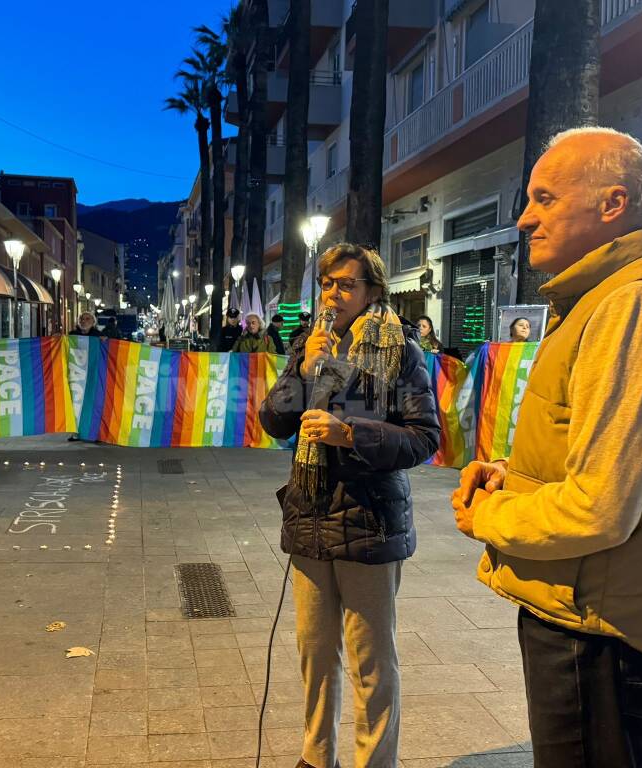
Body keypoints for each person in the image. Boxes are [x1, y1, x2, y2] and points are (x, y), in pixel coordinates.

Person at [452, 127, 642, 768]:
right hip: (595, 609)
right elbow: (603, 458)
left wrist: (486, 516)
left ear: (614, 203)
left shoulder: (634, 303)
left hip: (600, 625)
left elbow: (599, 506)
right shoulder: (610, 298)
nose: (525, 218)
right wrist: (510, 478)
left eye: (544, 198)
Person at [259, 243, 440, 768]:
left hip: (369, 521)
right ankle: (316, 758)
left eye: (345, 284)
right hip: (311, 515)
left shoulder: (400, 352)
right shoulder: (308, 344)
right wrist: (302, 371)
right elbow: (274, 423)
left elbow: (423, 438)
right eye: (327, 283)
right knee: (315, 654)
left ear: (373, 292)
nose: (332, 294)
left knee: (371, 662)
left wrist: (349, 433)